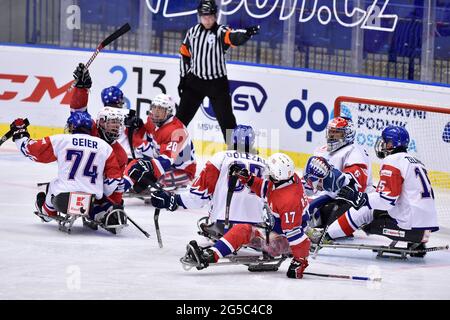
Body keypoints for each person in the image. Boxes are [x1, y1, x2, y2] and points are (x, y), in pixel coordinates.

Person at [182, 153, 311, 279]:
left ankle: (209, 255)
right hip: (281, 229)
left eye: (270, 172)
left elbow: (296, 235)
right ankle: (213, 252)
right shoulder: (288, 179)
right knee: (246, 229)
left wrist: (300, 262)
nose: (267, 174)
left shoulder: (288, 201)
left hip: (283, 242)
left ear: (278, 176)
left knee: (243, 230)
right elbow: (268, 189)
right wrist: (249, 179)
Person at [316, 126, 439, 255]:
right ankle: (418, 243)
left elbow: (386, 200)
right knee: (374, 202)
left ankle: (325, 236)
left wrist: (358, 197)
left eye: (385, 141)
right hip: (426, 227)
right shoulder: (417, 162)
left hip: (409, 226)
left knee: (364, 208)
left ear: (391, 144)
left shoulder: (393, 160)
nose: (383, 144)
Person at [10, 113, 126, 232]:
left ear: (71, 126)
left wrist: (20, 134)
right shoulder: (105, 146)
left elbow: (31, 150)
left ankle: (46, 211)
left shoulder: (61, 140)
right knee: (97, 196)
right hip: (91, 199)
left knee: (53, 184)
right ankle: (100, 212)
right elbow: (114, 179)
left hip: (63, 198)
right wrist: (103, 194)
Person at [149, 125, 267, 240]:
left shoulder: (220, 158)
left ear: (232, 139)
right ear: (252, 142)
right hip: (257, 229)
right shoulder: (265, 164)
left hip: (225, 226)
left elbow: (199, 196)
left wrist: (173, 200)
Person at [177, 0, 260, 142]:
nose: (207, 20)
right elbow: (185, 54)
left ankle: (236, 153)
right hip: (195, 82)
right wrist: (183, 78)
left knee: (227, 122)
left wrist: (245, 34)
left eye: (210, 17)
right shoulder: (192, 32)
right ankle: (168, 150)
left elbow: (233, 37)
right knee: (180, 120)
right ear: (199, 17)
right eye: (204, 17)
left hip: (217, 85)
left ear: (215, 16)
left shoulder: (220, 32)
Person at [303, 117, 372, 228]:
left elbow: (355, 182)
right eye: (331, 132)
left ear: (347, 134)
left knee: (304, 208)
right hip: (323, 193)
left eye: (337, 133)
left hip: (339, 197)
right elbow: (310, 177)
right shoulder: (321, 149)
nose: (331, 136)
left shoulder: (354, 151)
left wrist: (334, 178)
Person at [123, 93, 196, 192]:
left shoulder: (177, 132)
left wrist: (146, 169)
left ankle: (121, 188)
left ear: (169, 112)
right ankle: (122, 186)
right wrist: (136, 127)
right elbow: (145, 135)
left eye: (160, 109)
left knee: (144, 174)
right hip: (162, 159)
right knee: (131, 165)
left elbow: (165, 161)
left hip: (183, 173)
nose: (156, 112)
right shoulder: (154, 121)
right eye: (154, 107)